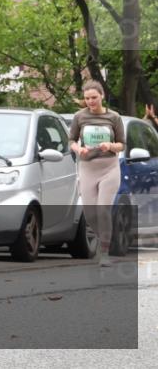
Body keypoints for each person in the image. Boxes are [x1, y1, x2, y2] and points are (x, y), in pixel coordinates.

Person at [68, 80, 125, 267]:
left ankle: (105, 252)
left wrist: (110, 145)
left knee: (103, 209)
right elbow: (71, 140)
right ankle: (105, 238)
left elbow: (122, 144)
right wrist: (78, 149)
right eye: (87, 98)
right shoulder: (79, 117)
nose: (91, 101)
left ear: (102, 96)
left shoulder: (114, 117)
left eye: (94, 97)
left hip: (109, 168)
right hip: (87, 168)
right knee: (90, 213)